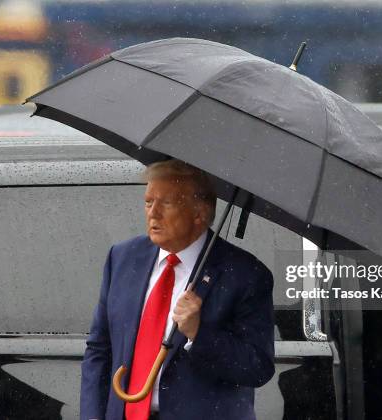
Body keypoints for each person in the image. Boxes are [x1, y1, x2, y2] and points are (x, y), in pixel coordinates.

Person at [80, 160, 275, 420]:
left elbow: (257, 367)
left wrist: (198, 333)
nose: (153, 213)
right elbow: (99, 348)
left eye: (167, 203)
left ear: (199, 213)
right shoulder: (123, 258)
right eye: (149, 202)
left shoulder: (246, 274)